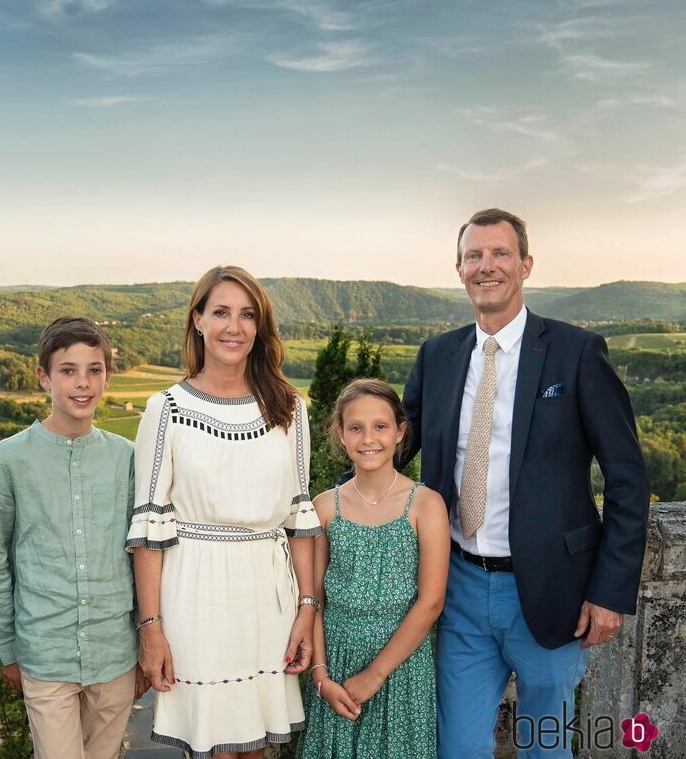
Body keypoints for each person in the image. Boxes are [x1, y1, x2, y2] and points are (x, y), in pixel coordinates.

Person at [402, 208, 650, 756]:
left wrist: (608, 592)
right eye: (474, 255)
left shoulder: (577, 352)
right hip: (458, 586)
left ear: (526, 264)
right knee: (457, 748)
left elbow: (628, 480)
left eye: (500, 254)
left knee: (548, 747)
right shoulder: (437, 356)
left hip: (550, 592)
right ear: (459, 268)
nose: (486, 266)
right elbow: (390, 447)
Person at [128, 265, 321, 759]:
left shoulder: (289, 407)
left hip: (268, 593)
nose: (234, 327)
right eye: (220, 312)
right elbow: (149, 530)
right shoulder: (166, 408)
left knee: (257, 746)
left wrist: (306, 608)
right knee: (213, 742)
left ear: (260, 327)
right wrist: (150, 627)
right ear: (197, 321)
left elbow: (300, 519)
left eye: (247, 315)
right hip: (195, 594)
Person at [0, 316, 145, 759]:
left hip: (115, 654)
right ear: (44, 377)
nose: (82, 383)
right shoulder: (8, 461)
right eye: (68, 370)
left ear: (107, 375)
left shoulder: (128, 458)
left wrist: (146, 641)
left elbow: (144, 555)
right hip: (45, 655)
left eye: (94, 369)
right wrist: (8, 649)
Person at [298, 378, 448, 759]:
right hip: (336, 665)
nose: (369, 438)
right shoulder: (325, 507)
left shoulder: (425, 504)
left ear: (400, 432)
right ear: (341, 434)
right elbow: (312, 597)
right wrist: (320, 676)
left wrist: (374, 675)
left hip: (400, 667)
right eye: (356, 428)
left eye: (380, 426)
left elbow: (430, 602)